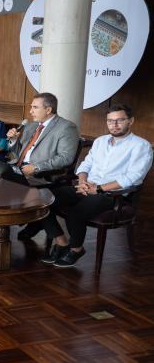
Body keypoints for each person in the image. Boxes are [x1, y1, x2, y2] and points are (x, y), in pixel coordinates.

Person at [40, 105, 152, 268]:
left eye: (119, 120)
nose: (114, 124)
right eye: (110, 121)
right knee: (41, 200)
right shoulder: (100, 141)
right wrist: (82, 181)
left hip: (113, 196)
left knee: (75, 213)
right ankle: (61, 242)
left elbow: (133, 178)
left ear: (131, 121)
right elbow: (85, 165)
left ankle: (76, 249)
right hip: (88, 187)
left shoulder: (141, 146)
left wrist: (99, 189)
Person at [4, 92, 80, 187]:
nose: (30, 111)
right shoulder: (31, 126)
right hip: (17, 169)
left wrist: (36, 167)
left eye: (35, 107)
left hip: (39, 176)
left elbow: (65, 158)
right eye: (31, 107)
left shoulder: (66, 127)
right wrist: (14, 141)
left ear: (48, 110)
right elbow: (18, 154)